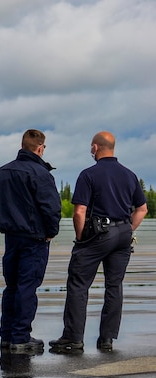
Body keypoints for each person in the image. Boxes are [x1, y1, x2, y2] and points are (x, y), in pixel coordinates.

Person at [49, 131, 148, 352]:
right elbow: (142, 209)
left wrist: (81, 237)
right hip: (123, 234)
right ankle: (106, 340)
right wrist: (126, 229)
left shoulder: (88, 175)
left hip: (97, 234)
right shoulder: (130, 175)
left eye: (90, 147)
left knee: (78, 284)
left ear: (95, 147)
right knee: (114, 285)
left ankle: (73, 339)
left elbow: (79, 212)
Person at [0, 130, 61, 354]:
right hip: (34, 238)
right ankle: (20, 337)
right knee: (27, 287)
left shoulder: (2, 171)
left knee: (12, 286)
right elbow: (51, 207)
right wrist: (50, 232)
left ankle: (7, 335)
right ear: (40, 148)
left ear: (22, 145)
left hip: (11, 237)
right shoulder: (40, 173)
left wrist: (4, 220)